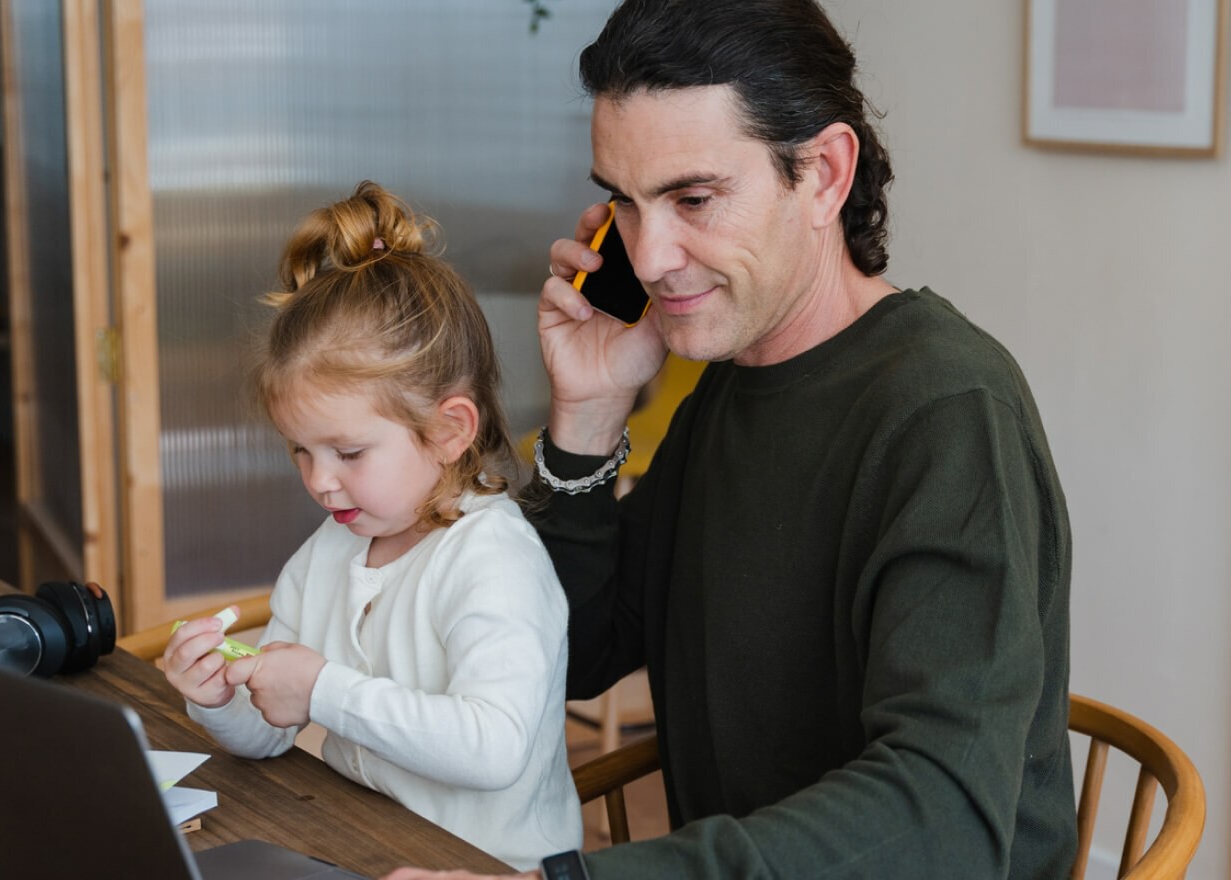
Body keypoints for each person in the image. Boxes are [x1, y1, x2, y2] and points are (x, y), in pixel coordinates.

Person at [385, 0, 1074, 878]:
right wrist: (590, 419)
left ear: (823, 174)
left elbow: (939, 821)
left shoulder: (948, 413)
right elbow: (572, 652)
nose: (653, 254)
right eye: (623, 204)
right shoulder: (733, 383)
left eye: (694, 199)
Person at [161, 181, 582, 871]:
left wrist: (323, 688)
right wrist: (220, 699)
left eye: (349, 453)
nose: (320, 480)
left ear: (449, 431)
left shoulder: (492, 556)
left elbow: (494, 747)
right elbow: (272, 731)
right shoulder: (329, 552)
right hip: (362, 843)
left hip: (486, 868)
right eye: (301, 450)